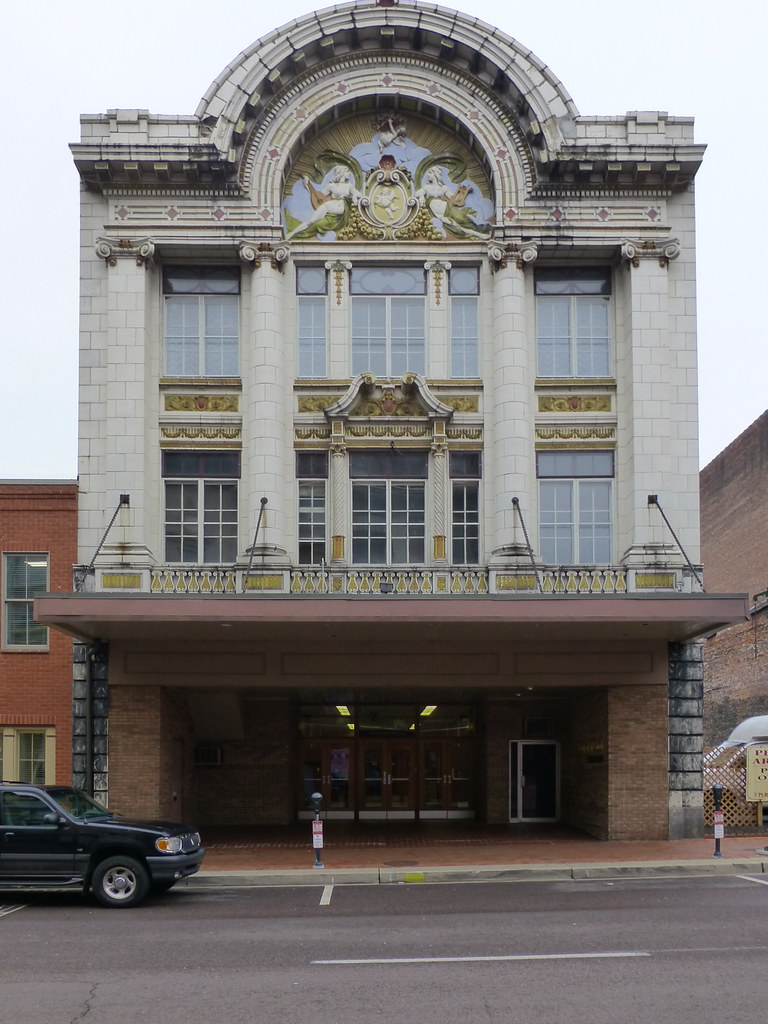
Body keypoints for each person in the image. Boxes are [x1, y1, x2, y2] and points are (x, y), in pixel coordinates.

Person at [285, 165, 361, 240]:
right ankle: (292, 233)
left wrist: (354, 196)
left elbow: (359, 195)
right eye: (347, 172)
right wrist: (308, 184)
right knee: (311, 221)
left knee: (317, 224)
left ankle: (299, 233)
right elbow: (319, 196)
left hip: (339, 209)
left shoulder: (349, 186)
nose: (348, 174)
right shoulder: (331, 186)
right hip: (329, 206)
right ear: (342, 173)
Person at [416, 166, 490, 240]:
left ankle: (480, 231)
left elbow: (453, 199)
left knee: (462, 219)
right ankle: (479, 234)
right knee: (456, 227)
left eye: (430, 173)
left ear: (435, 174)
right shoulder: (427, 187)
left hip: (448, 208)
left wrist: (465, 192)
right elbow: (417, 194)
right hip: (440, 215)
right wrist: (421, 196)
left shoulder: (444, 188)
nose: (428, 175)